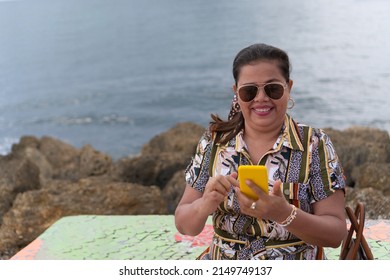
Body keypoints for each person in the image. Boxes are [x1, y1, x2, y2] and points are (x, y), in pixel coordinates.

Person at [174, 43, 347, 260]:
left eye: (272, 88)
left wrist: (283, 214)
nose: (261, 98)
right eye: (249, 91)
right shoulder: (214, 142)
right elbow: (184, 224)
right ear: (236, 93)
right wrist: (205, 203)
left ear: (289, 87)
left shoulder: (314, 144)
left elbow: (335, 234)